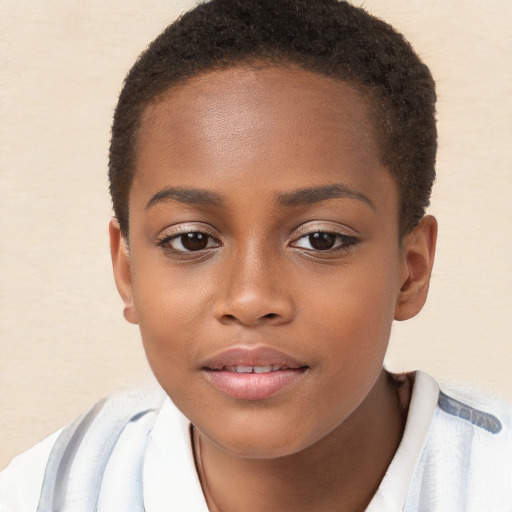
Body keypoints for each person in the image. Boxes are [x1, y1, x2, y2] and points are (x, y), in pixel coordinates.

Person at [1, 0, 510, 510]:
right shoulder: (46, 492)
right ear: (128, 270)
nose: (250, 298)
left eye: (321, 240)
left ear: (411, 271)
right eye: (191, 240)